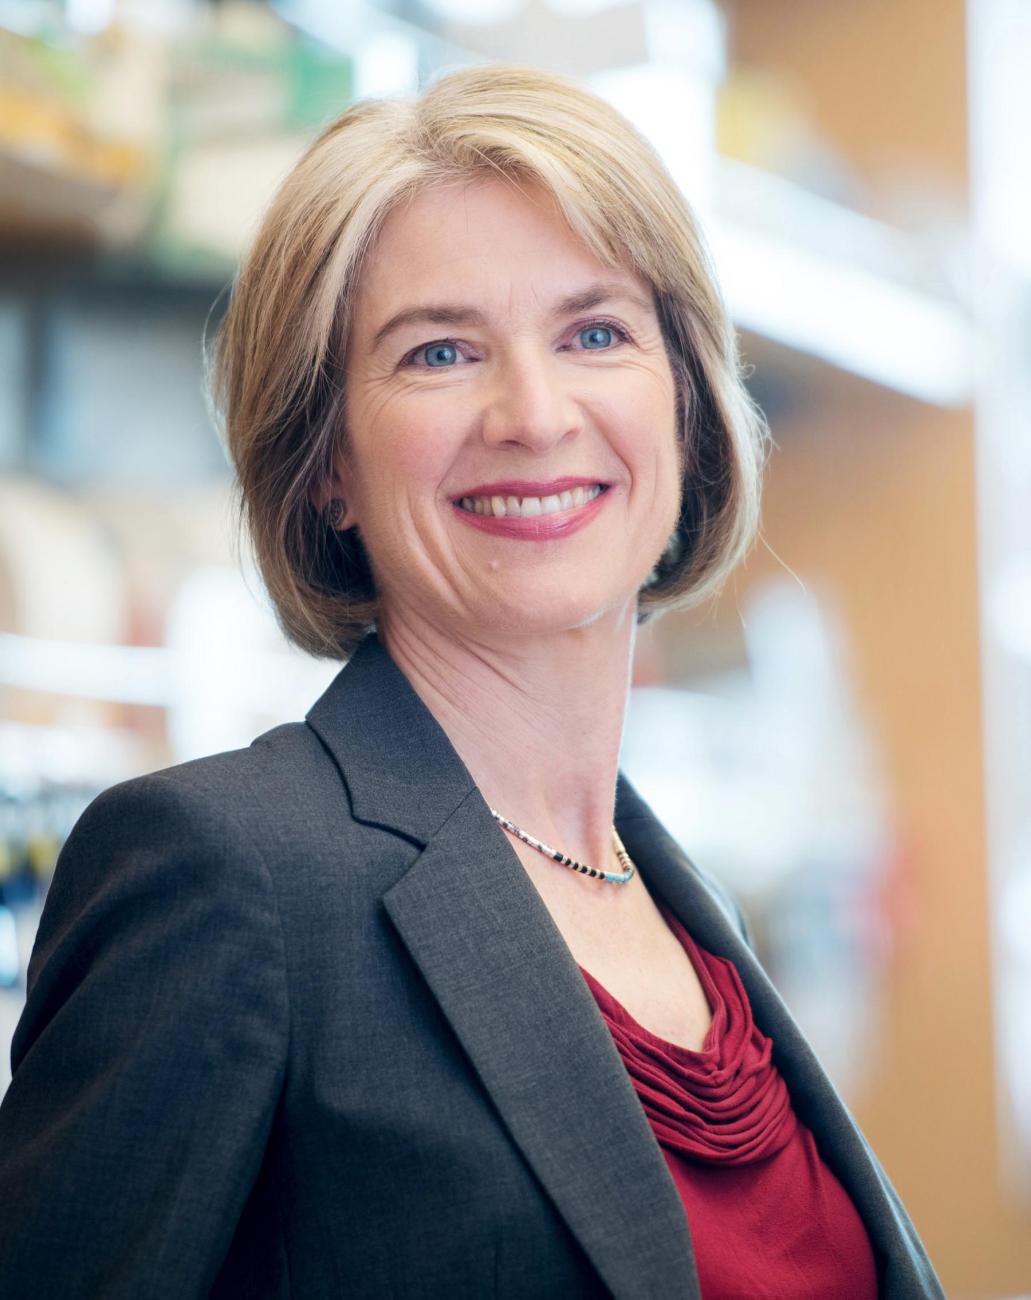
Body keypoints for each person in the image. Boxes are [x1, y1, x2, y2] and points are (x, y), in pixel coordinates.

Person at [0, 63, 943, 1299]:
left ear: (686, 406)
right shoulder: (223, 876)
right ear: (326, 458)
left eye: (594, 333)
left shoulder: (674, 903)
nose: (533, 411)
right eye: (440, 351)